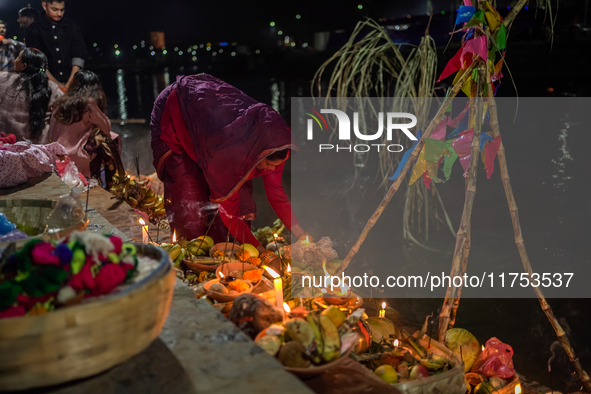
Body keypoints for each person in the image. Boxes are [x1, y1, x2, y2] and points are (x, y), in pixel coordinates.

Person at [151, 74, 307, 267]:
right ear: (256, 154)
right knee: (190, 201)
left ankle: (219, 262)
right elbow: (229, 212)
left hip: (212, 132)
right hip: (178, 112)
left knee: (228, 213)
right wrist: (264, 253)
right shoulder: (233, 155)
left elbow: (277, 196)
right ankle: (187, 267)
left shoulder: (276, 148)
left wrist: (303, 238)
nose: (271, 170)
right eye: (269, 164)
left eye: (277, 166)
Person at [44, 70, 121, 184]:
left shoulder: (61, 102)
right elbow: (106, 127)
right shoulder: (87, 103)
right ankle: (110, 185)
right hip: (74, 156)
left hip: (53, 155)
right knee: (114, 140)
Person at [0, 47, 61, 142]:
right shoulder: (52, 88)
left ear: (24, 66)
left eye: (17, 58)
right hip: (37, 148)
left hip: (5, 146)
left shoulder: (3, 79)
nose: (15, 60)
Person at [25, 0, 86, 91]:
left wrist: (70, 82)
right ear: (44, 5)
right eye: (55, 9)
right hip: (44, 86)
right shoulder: (34, 29)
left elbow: (78, 55)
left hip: (72, 83)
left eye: (62, 10)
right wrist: (56, 84)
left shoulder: (72, 27)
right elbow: (36, 60)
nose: (59, 13)